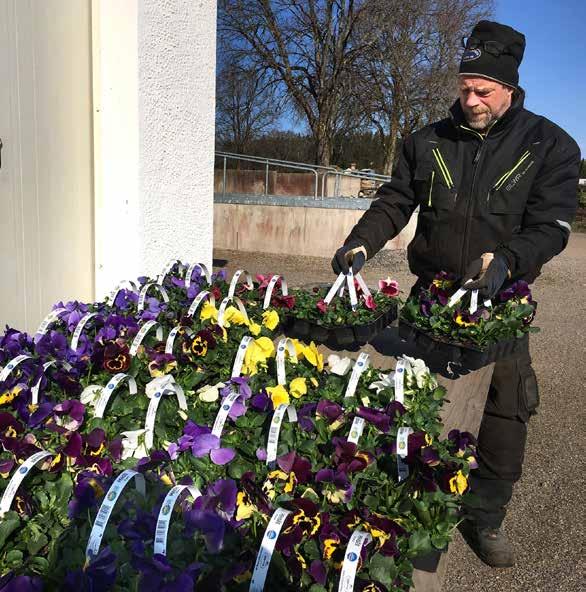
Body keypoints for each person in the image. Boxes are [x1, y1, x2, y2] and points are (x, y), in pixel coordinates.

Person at [331, 20, 581, 568]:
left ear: (510, 88)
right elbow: (395, 202)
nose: (470, 100)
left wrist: (507, 260)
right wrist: (360, 244)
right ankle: (410, 501)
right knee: (411, 404)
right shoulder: (427, 140)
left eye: (483, 90)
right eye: (464, 87)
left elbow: (552, 226)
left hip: (500, 304)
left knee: (504, 413)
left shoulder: (551, 145)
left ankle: (485, 516)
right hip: (431, 298)